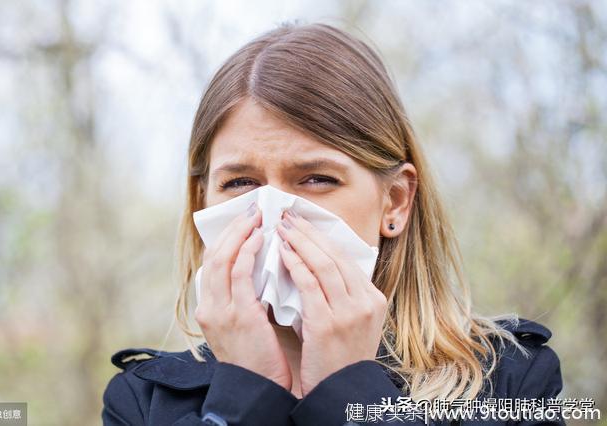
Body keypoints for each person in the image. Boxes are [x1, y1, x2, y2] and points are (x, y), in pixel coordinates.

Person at [101, 22, 564, 426]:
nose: (273, 210)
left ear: (395, 202)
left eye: (317, 178)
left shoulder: (509, 383)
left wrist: (349, 392)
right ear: (203, 201)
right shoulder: (143, 401)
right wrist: (243, 396)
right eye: (241, 182)